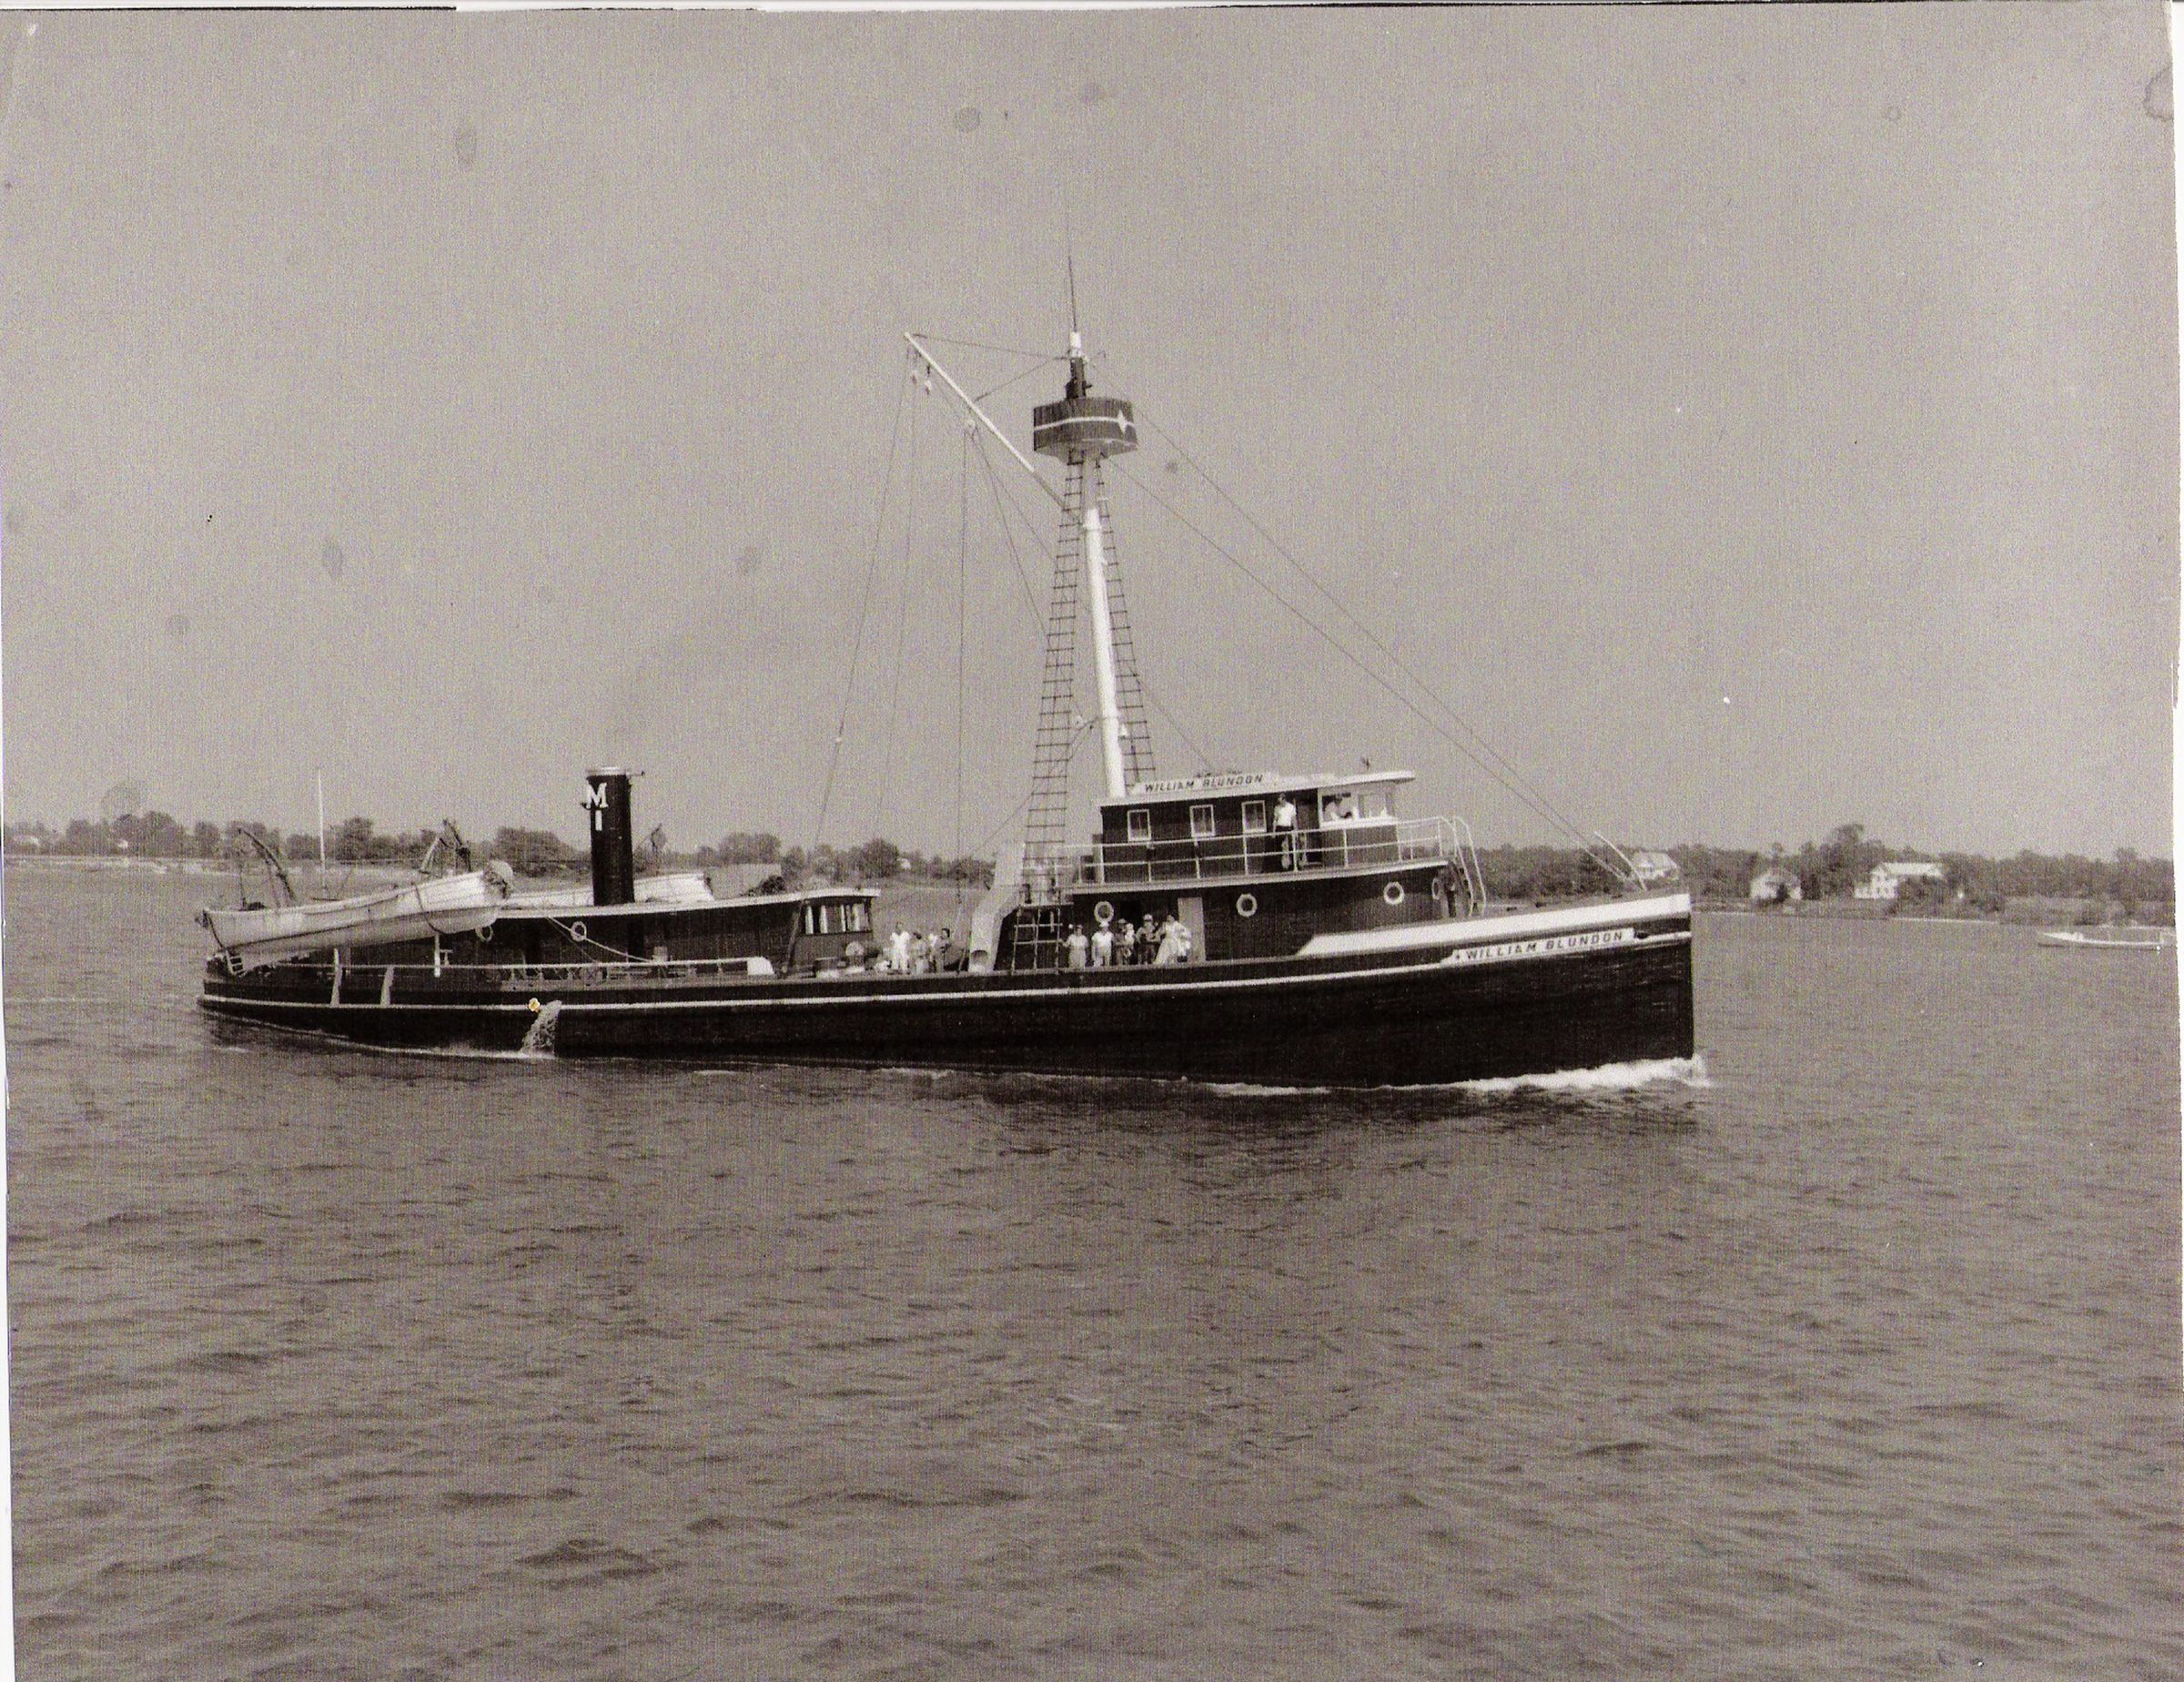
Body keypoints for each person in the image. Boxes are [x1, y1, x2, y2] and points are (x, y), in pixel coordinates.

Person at [1272, 793, 1298, 871]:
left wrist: (1296, 830)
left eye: (1281, 801)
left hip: (1288, 828)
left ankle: (1293, 865)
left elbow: (1294, 819)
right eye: (1279, 801)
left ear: (1284, 799)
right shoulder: (1277, 808)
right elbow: (1275, 820)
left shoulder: (1291, 807)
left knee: (1291, 846)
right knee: (1280, 847)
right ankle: (1281, 867)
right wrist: (1273, 831)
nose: (1280, 803)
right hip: (1280, 828)